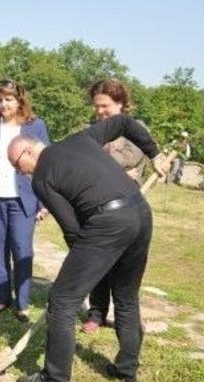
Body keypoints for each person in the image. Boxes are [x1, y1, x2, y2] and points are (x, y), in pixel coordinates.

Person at [7, 114, 166, 382]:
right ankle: (126, 372)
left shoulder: (41, 177)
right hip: (140, 212)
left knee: (63, 300)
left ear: (29, 151)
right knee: (127, 297)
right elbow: (125, 123)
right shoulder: (82, 138)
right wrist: (156, 153)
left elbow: (72, 229)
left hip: (108, 221)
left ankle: (54, 380)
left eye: (17, 165)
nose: (20, 173)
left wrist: (85, 269)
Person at [0, 79, 49, 321]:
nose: (4, 104)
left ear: (19, 101)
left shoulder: (36, 127)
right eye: (0, 99)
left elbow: (46, 164)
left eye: (9, 99)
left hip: (23, 200)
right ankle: (2, 297)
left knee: (22, 250)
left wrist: (44, 202)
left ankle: (22, 302)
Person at [83, 79, 151, 334]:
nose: (100, 112)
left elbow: (134, 157)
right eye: (96, 106)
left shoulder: (135, 128)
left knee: (128, 267)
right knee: (98, 262)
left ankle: (129, 317)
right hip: (97, 206)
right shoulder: (91, 130)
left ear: (121, 103)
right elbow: (86, 162)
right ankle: (96, 312)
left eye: (105, 106)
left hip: (130, 208)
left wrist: (110, 164)